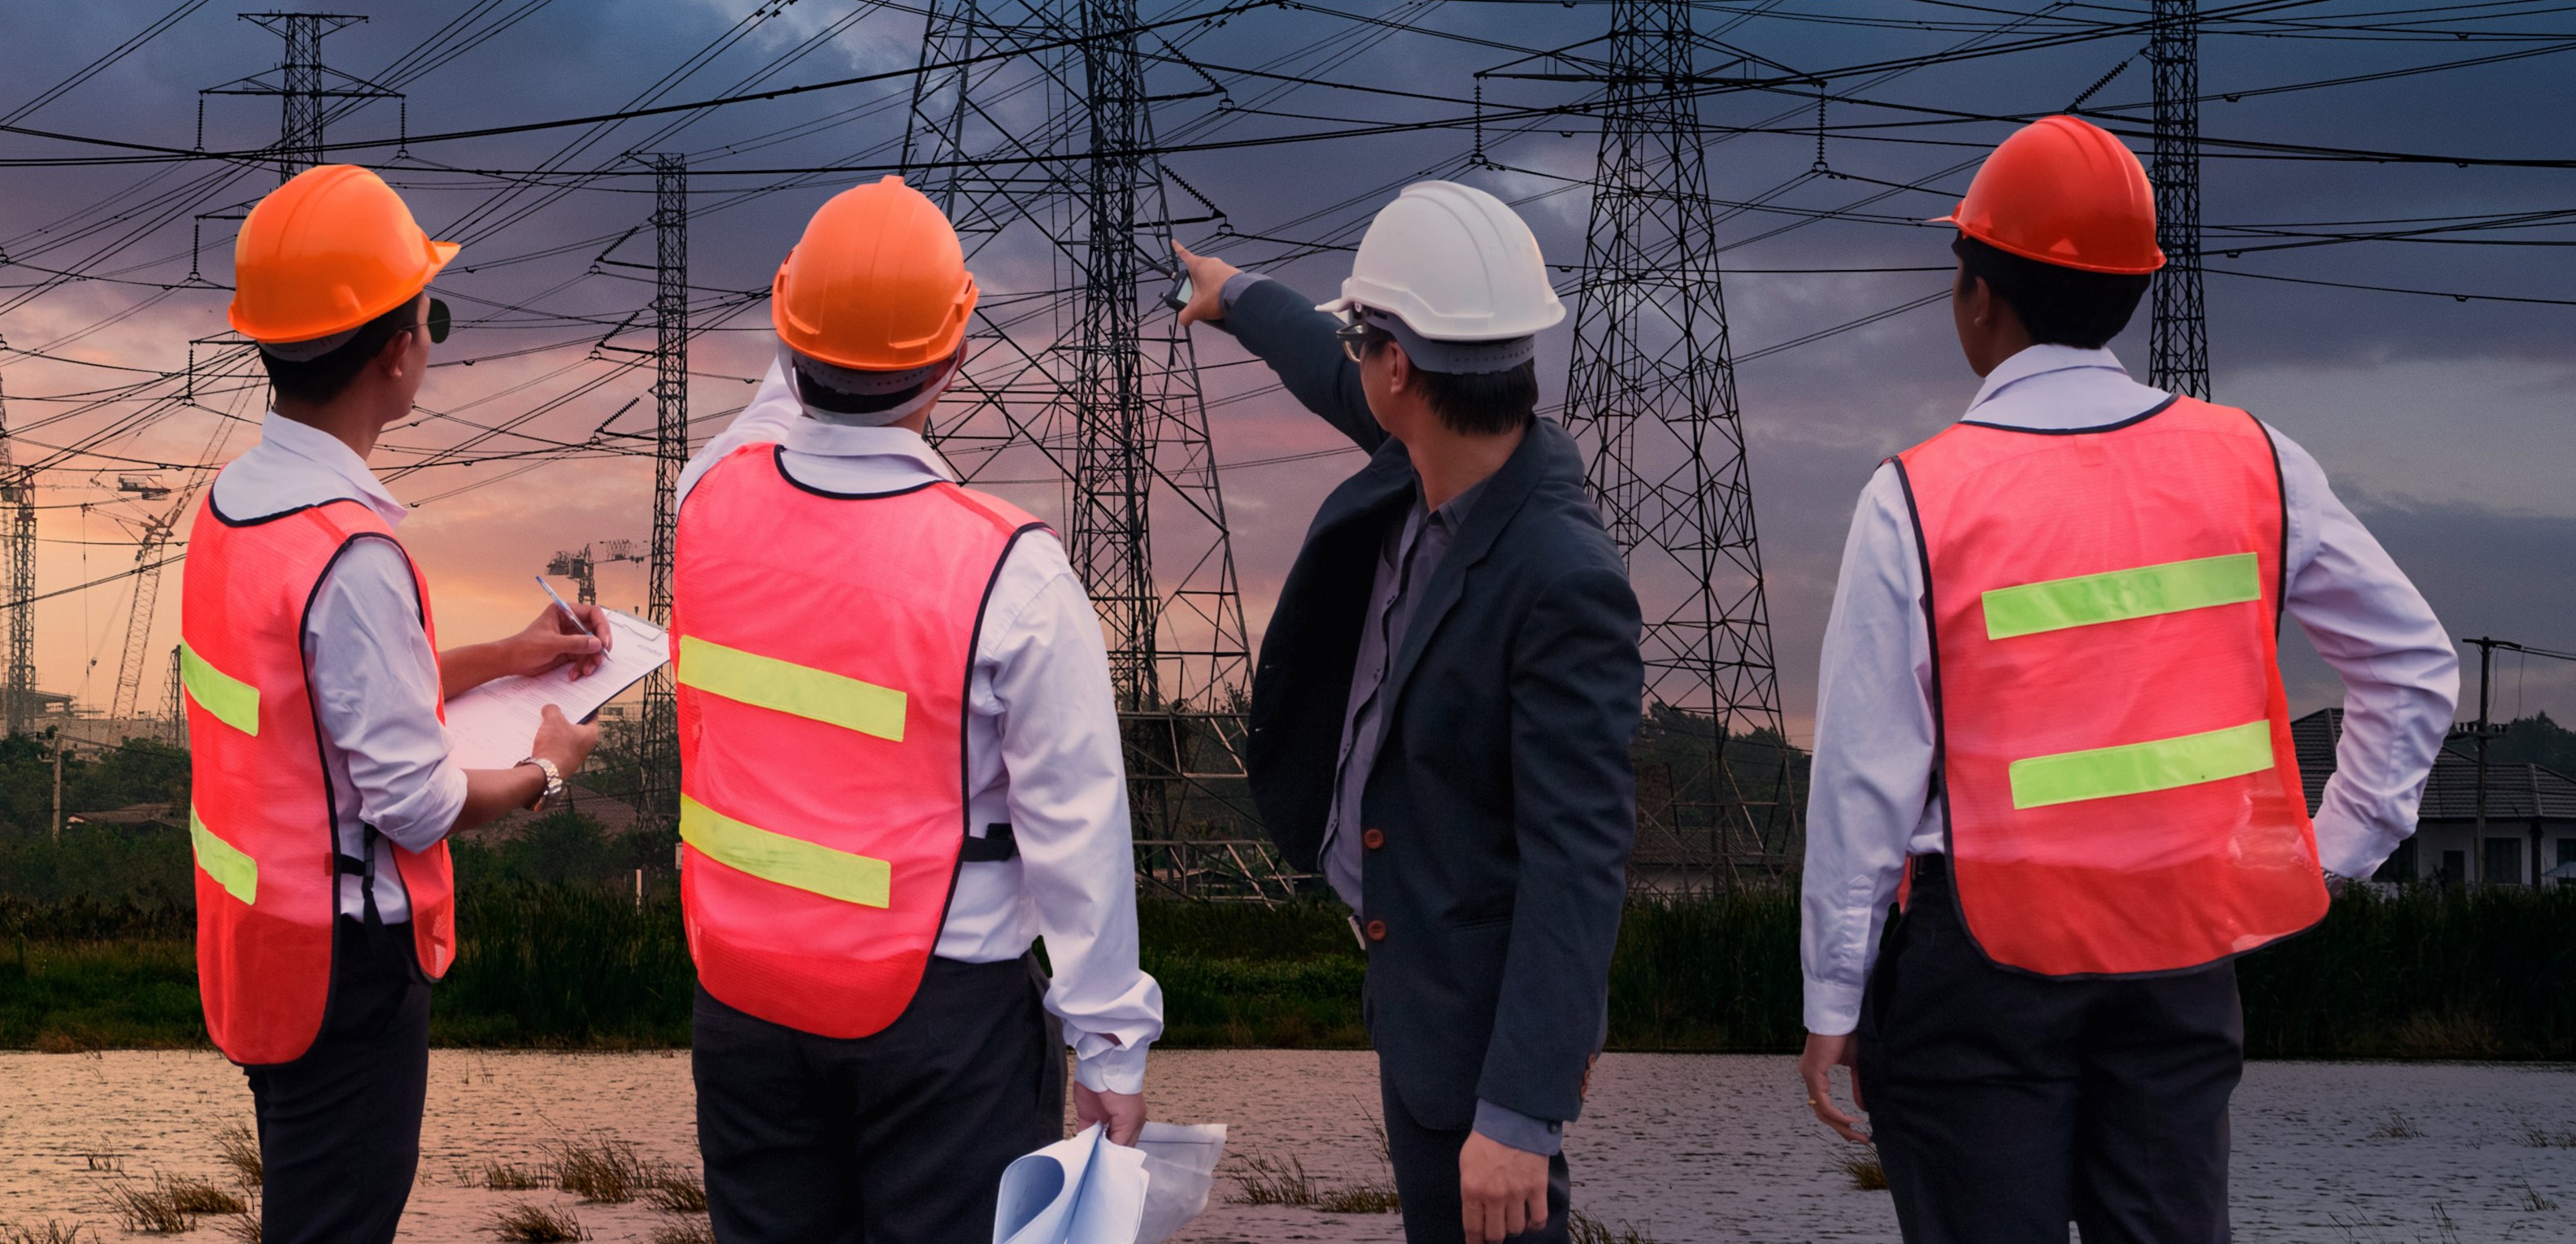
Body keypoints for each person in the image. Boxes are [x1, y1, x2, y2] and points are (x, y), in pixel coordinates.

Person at [1792, 115, 2454, 1242]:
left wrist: (1832, 999)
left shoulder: (1916, 496)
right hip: (2182, 948)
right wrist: (2321, 858)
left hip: (1980, 963)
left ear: (1979, 298)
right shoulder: (2252, 460)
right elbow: (2413, 666)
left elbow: (1865, 780)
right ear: (2129, 295)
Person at [673, 176, 1163, 1244]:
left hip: (747, 1003)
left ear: (784, 324)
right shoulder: (1009, 574)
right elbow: (1079, 828)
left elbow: (770, 412)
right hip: (941, 1022)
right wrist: (1112, 1051)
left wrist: (820, 311)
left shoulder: (708, 501)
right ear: (955, 352)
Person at [1177, 181, 1640, 1244]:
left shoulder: (1564, 579)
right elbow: (1321, 364)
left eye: (1364, 342)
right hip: (1411, 964)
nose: (1352, 364)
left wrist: (1521, 1112)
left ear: (1398, 370)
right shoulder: (1432, 450)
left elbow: (1580, 862)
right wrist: (1235, 294)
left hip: (1472, 1032)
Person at [185, 162, 611, 1244]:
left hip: (256, 939)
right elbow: (413, 801)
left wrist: (513, 654)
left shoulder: (234, 511)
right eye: (432, 313)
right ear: (398, 350)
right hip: (347, 969)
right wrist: (549, 768)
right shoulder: (353, 553)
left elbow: (322, 700)